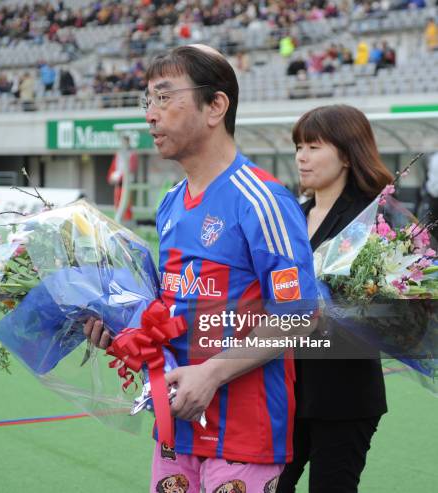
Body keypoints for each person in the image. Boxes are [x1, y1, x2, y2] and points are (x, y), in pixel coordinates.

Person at [85, 44, 318, 493]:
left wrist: (210, 374)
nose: (150, 115)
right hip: (177, 427)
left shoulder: (261, 200)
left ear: (215, 106)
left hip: (244, 436)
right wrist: (120, 328)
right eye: (146, 101)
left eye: (164, 97)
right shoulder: (171, 203)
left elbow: (299, 313)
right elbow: (168, 312)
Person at [276, 105, 392, 493]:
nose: (301, 157)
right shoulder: (292, 214)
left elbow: (391, 306)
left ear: (346, 153)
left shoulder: (374, 218)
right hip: (286, 387)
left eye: (313, 146)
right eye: (298, 146)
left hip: (344, 395)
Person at [107, 134, 137, 222]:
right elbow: (113, 168)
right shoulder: (119, 154)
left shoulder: (132, 154)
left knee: (126, 205)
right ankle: (118, 222)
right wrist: (112, 177)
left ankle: (127, 222)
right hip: (118, 183)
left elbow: (132, 168)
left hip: (127, 182)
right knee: (118, 204)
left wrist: (121, 176)